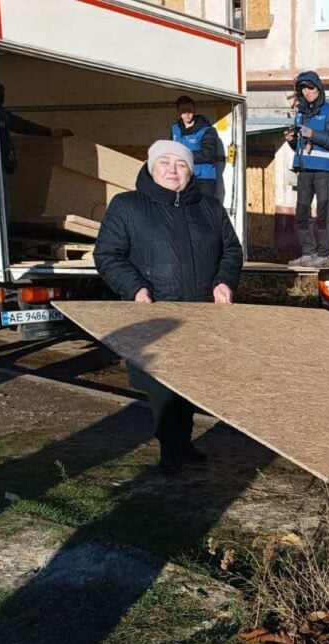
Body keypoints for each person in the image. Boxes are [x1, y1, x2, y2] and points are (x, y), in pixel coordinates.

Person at [94, 140, 243, 475]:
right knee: (162, 387)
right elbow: (108, 255)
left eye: (181, 164)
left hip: (201, 315)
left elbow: (232, 251)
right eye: (165, 162)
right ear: (150, 166)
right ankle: (170, 451)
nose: (173, 170)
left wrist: (224, 281)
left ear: (191, 171)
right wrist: (136, 288)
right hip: (155, 315)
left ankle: (183, 443)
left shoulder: (209, 207)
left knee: (192, 383)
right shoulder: (127, 206)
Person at [284, 71, 329, 268]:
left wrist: (313, 133)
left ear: (318, 88)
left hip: (324, 171)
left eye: (311, 87)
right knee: (301, 211)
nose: (307, 92)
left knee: (323, 212)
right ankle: (308, 253)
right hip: (304, 169)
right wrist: (292, 142)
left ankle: (324, 254)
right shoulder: (301, 114)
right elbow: (301, 146)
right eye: (303, 88)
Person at [0, 80, 72, 217]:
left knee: (2, 205)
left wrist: (49, 132)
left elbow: (22, 125)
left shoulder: (1, 114)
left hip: (0, 167)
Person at [171, 94, 220, 200]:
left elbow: (208, 153)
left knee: (204, 210)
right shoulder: (175, 129)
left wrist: (184, 155)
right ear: (179, 112)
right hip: (183, 177)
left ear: (194, 109)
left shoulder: (206, 130)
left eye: (190, 109)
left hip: (204, 179)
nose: (187, 113)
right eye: (183, 110)